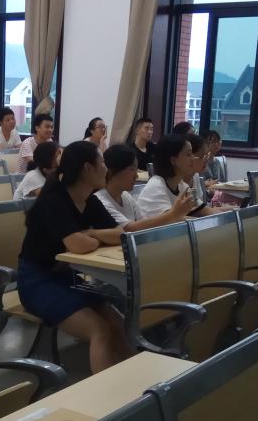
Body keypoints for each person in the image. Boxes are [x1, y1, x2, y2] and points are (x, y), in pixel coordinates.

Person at [17, 141, 132, 374]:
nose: (106, 168)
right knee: (99, 330)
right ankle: (107, 394)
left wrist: (91, 234)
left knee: (118, 324)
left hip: (69, 276)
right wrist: (92, 237)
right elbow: (77, 245)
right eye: (102, 162)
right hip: (38, 280)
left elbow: (119, 234)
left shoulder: (90, 199)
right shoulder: (54, 200)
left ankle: (136, 383)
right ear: (87, 168)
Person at [95, 144, 194, 231]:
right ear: (112, 171)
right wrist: (173, 214)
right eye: (131, 169)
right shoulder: (100, 201)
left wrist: (176, 215)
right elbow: (128, 229)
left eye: (136, 169)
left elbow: (143, 222)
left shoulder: (126, 196)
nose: (136, 176)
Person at [136, 135, 221, 219]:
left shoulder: (182, 186)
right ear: (173, 160)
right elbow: (172, 221)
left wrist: (229, 212)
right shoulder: (156, 187)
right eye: (188, 154)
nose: (193, 158)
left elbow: (207, 211)